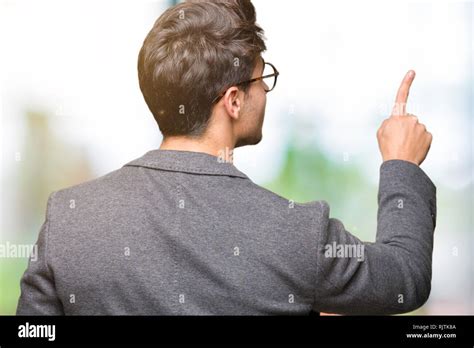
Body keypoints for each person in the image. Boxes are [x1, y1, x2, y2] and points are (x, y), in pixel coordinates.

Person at [17, 0, 436, 315]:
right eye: (261, 77)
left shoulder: (69, 220)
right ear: (233, 101)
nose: (266, 90)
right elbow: (405, 276)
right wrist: (401, 164)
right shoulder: (297, 233)